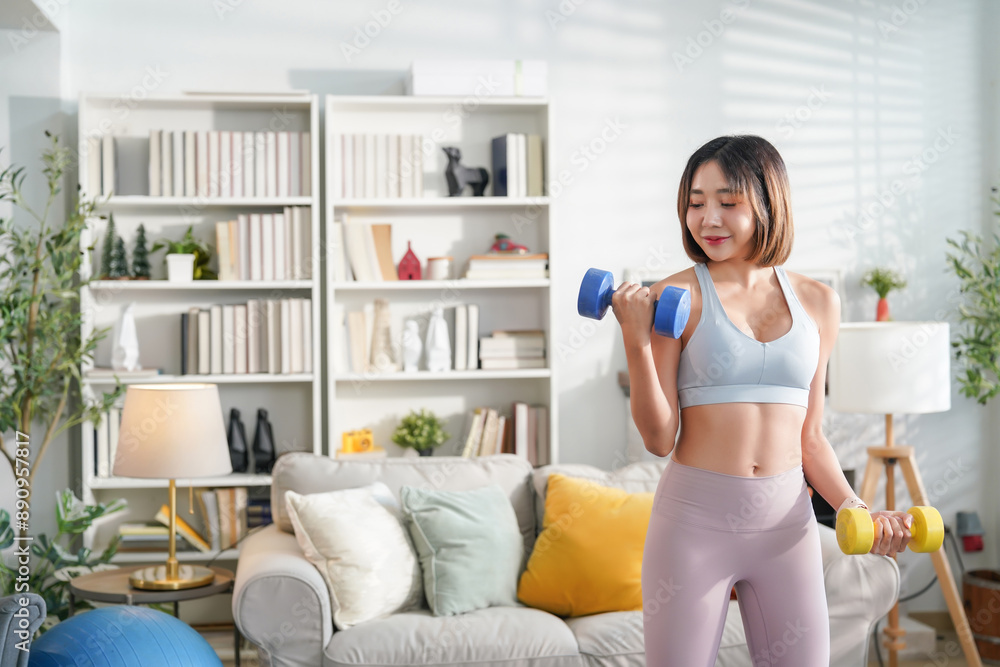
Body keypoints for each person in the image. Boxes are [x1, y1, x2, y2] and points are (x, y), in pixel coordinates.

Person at [612, 135, 913, 666]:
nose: (707, 218)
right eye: (695, 202)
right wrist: (636, 340)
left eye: (728, 202)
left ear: (768, 204)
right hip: (692, 527)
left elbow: (811, 438)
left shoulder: (819, 302)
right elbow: (659, 439)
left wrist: (854, 507)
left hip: (786, 529)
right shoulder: (674, 297)